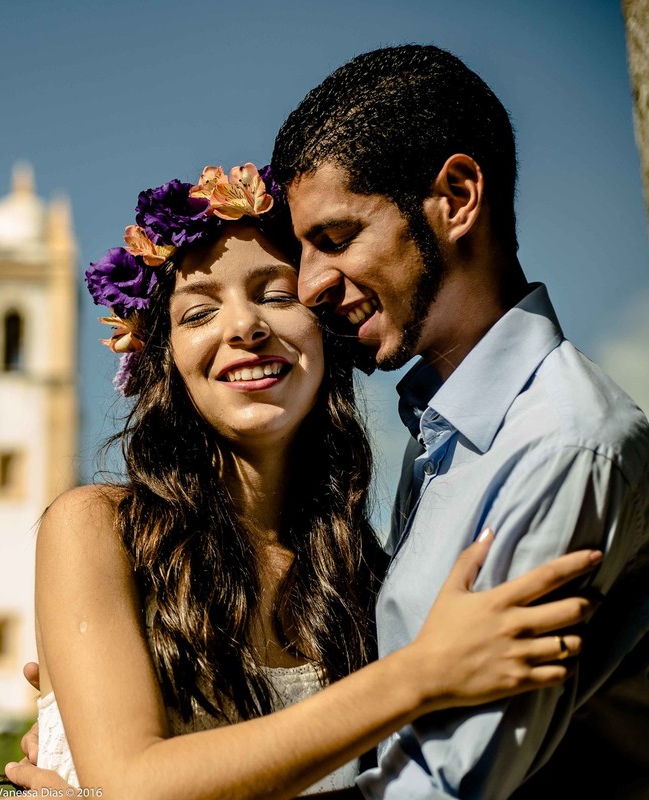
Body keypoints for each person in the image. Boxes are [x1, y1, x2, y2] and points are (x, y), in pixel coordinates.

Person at [6, 162, 600, 799]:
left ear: (326, 326)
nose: (243, 327)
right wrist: (418, 676)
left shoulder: (370, 577)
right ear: (167, 360)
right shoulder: (99, 530)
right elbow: (133, 786)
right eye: (200, 313)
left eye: (276, 296)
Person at [271, 45, 649, 798]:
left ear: (457, 196)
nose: (308, 284)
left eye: (337, 238)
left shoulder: (565, 446)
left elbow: (440, 787)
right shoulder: (441, 437)